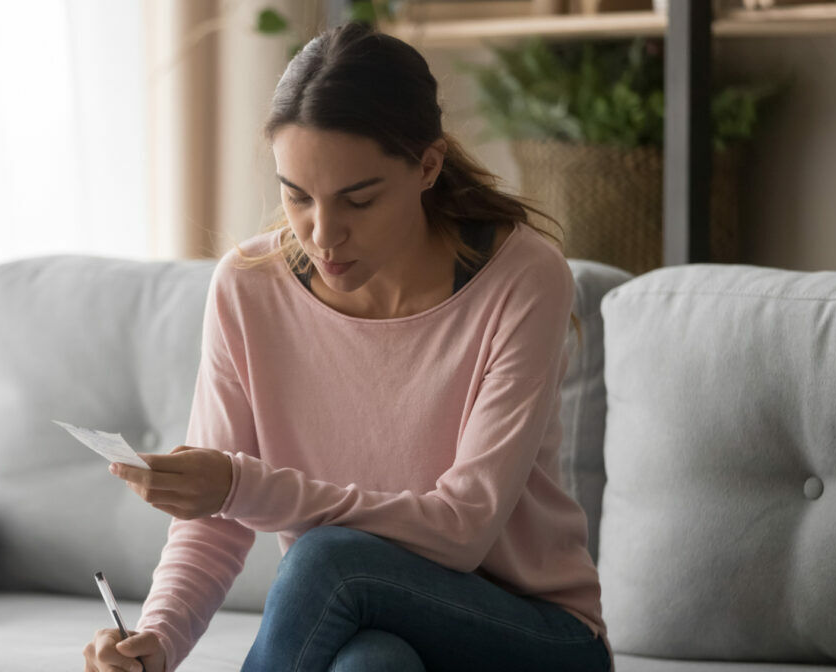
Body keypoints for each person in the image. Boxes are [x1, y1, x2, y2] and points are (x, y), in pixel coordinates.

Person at [82, 20, 612, 672]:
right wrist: (155, 644)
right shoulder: (248, 290)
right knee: (370, 665)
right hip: (375, 617)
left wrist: (241, 484)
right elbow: (212, 526)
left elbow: (463, 529)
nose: (323, 235)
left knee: (329, 559)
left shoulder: (522, 278)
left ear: (428, 166)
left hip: (538, 637)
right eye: (297, 197)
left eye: (358, 201)